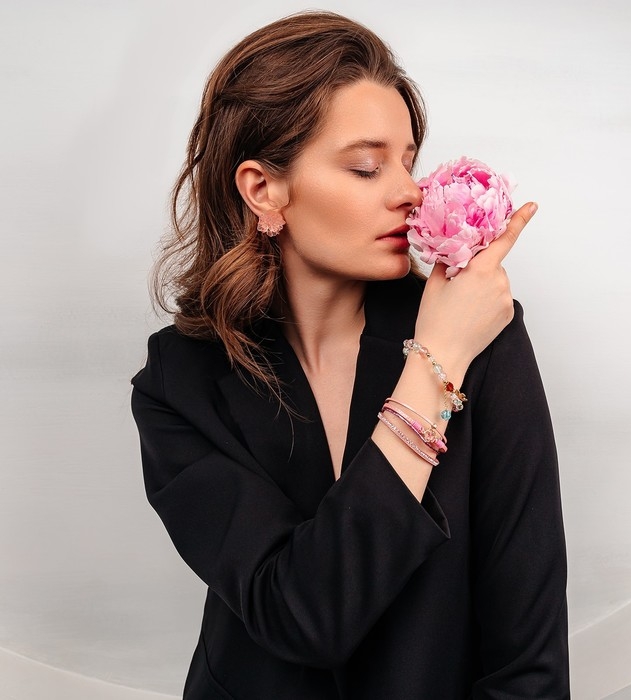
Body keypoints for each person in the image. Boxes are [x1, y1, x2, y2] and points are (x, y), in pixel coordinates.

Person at [131, 10, 570, 699]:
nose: (409, 192)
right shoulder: (180, 380)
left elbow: (529, 666)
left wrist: (447, 347)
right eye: (367, 167)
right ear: (263, 189)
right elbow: (303, 616)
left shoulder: (485, 338)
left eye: (408, 162)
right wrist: (434, 366)